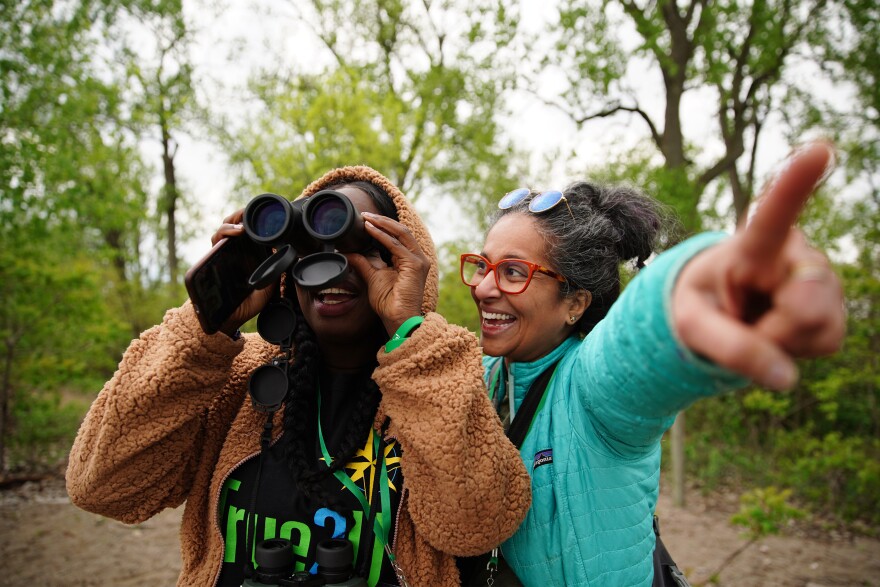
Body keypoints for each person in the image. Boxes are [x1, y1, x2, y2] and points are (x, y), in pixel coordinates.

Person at [66, 165, 531, 587]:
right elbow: (102, 486)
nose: (331, 264)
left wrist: (410, 332)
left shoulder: (436, 379)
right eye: (311, 244)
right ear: (288, 265)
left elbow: (478, 523)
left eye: (358, 245)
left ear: (404, 262)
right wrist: (210, 322)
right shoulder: (234, 380)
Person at [457, 141, 844, 586]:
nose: (485, 288)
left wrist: (688, 296)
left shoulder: (589, 390)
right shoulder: (478, 377)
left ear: (575, 304)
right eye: (483, 265)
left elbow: (634, 344)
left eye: (513, 272)